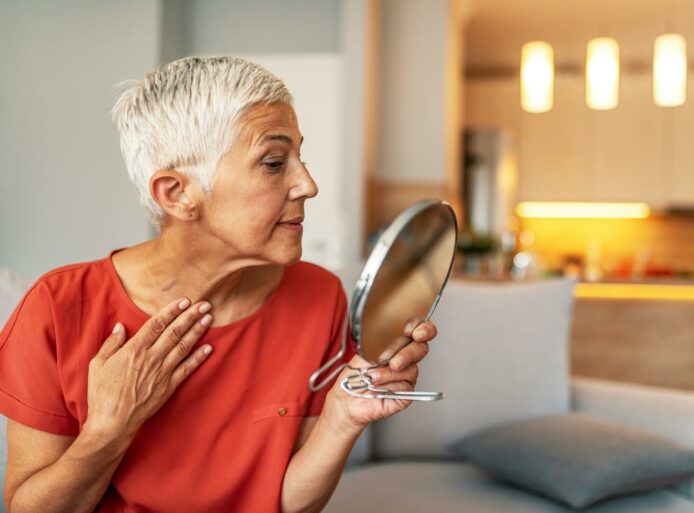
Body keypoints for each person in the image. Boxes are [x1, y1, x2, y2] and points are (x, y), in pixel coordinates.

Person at [0, 56, 438, 513]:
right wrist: (108, 429)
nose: (307, 185)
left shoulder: (319, 297)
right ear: (177, 194)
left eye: (299, 158)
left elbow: (286, 504)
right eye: (274, 163)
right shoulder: (57, 307)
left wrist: (342, 417)